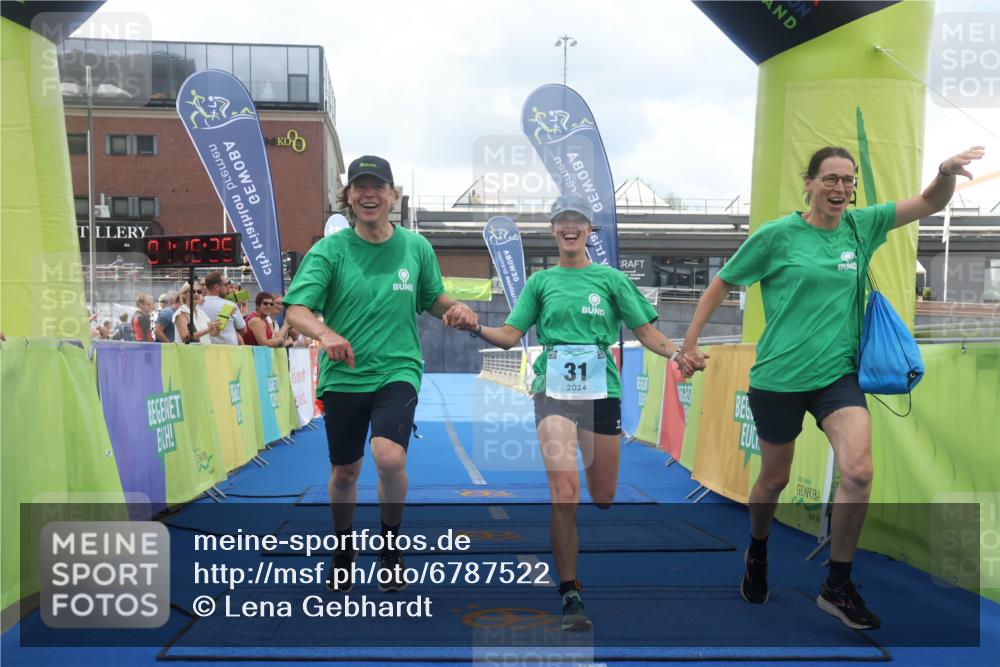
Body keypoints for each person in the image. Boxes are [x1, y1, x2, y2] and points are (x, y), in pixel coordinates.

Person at [680, 145, 985, 630]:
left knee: (859, 472)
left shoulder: (862, 226)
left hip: (838, 376)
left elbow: (930, 202)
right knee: (774, 480)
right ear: (809, 183)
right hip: (779, 377)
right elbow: (723, 282)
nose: (840, 188)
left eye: (848, 180)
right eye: (830, 179)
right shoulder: (777, 236)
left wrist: (945, 172)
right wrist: (689, 343)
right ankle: (757, 548)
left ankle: (837, 584)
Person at [460, 194, 693, 631]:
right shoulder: (540, 283)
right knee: (565, 493)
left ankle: (573, 571)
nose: (570, 227)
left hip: (601, 394)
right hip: (553, 393)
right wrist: (474, 325)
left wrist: (678, 353)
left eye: (578, 221)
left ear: (589, 229)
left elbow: (648, 334)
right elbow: (509, 335)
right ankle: (570, 592)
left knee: (602, 496)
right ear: (553, 229)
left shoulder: (611, 279)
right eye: (562, 221)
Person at [284, 155, 477, 594]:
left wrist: (456, 309)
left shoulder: (416, 247)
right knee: (345, 473)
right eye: (359, 187)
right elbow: (296, 310)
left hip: (398, 368)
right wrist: (325, 333)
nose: (368, 194)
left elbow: (433, 297)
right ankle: (344, 548)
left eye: (377, 187)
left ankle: (390, 548)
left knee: (390, 458)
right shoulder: (330, 251)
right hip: (344, 375)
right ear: (348, 197)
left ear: (393, 195)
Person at [200, 271, 247, 345]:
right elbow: (243, 330)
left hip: (205, 349)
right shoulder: (229, 305)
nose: (227, 287)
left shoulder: (198, 305)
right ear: (217, 287)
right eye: (225, 284)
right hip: (229, 349)